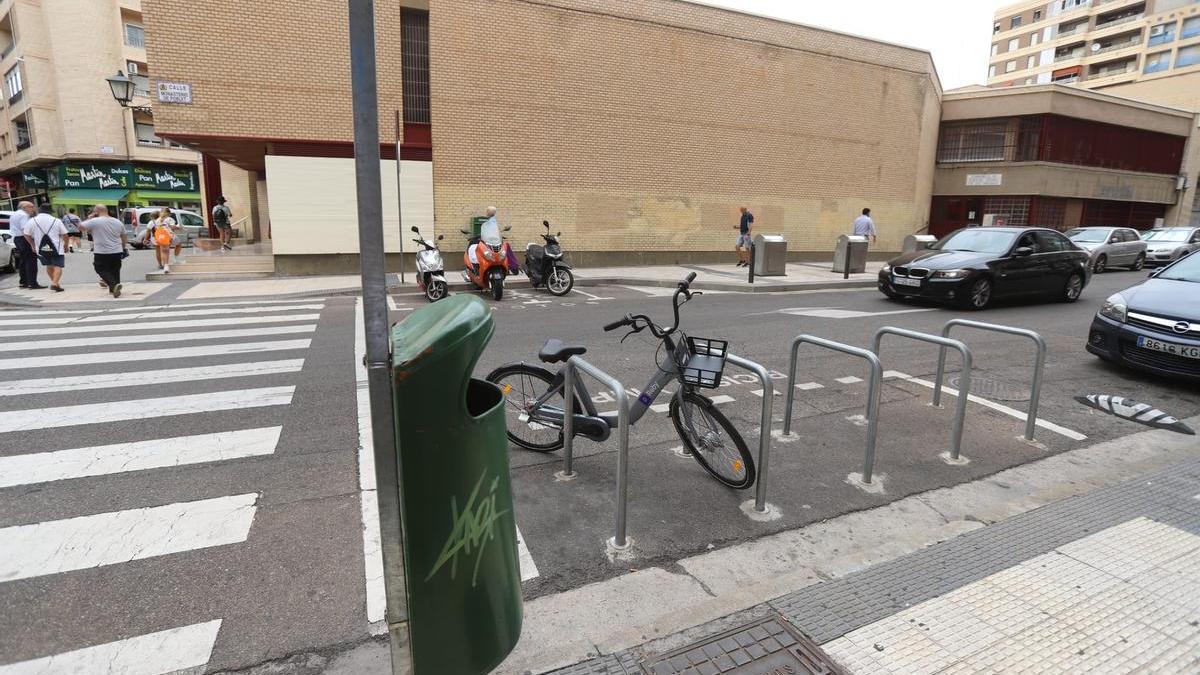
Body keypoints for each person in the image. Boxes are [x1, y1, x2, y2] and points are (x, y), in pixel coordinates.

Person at [81, 204, 128, 298]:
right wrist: (123, 247)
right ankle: (114, 290)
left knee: (100, 268)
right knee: (115, 269)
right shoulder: (117, 221)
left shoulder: (94, 221)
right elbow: (124, 236)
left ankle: (113, 285)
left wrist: (89, 218)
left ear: (96, 211)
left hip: (101, 251)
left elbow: (81, 227)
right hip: (117, 250)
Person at [26, 203, 68, 292]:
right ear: (50, 212)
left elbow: (26, 234)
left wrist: (32, 245)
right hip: (57, 247)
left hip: (41, 248)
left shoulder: (32, 220)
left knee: (49, 265)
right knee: (58, 266)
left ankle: (55, 283)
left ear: (40, 210)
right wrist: (66, 245)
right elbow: (65, 234)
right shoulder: (56, 220)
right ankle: (54, 283)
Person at [10, 201, 42, 289]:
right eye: (31, 207)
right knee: (31, 260)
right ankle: (32, 283)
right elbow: (25, 230)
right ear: (24, 208)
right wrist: (32, 244)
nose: (33, 208)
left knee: (23, 260)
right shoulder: (24, 215)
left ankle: (24, 282)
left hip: (17, 238)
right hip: (24, 239)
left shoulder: (15, 214)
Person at [145, 207, 180, 273]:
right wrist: (178, 227)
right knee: (177, 245)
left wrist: (146, 239)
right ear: (169, 213)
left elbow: (149, 230)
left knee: (163, 251)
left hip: (159, 237)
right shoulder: (170, 219)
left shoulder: (157, 220)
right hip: (168, 235)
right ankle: (175, 259)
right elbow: (172, 227)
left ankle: (164, 265)